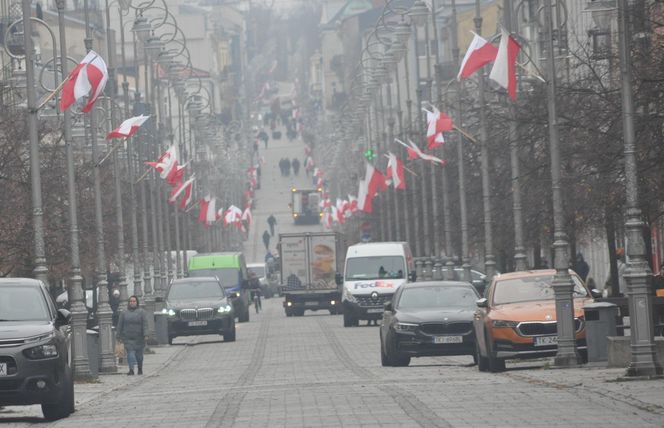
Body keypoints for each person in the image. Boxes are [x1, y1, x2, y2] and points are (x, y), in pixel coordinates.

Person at [116, 295, 149, 375]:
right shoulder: (124, 313)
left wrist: (146, 335)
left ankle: (140, 368)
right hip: (128, 337)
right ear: (128, 303)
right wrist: (118, 335)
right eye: (131, 301)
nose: (132, 303)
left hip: (139, 337)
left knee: (139, 355)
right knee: (130, 353)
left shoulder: (141, 312)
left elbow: (145, 324)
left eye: (134, 301)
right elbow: (120, 325)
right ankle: (131, 369)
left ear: (137, 302)